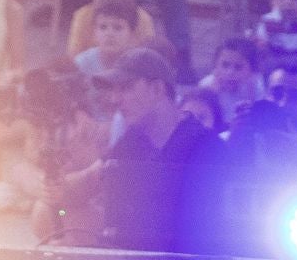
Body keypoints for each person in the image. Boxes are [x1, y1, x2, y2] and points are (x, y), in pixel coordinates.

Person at [89, 46, 233, 253]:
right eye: (113, 90)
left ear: (157, 89)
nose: (115, 99)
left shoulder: (207, 148)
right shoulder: (127, 147)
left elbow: (216, 236)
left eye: (126, 88)